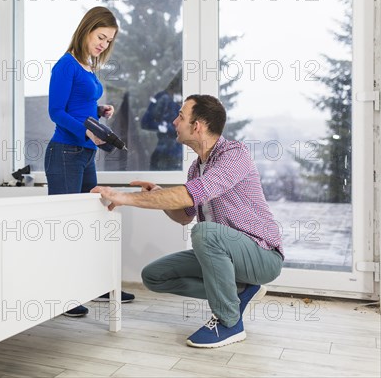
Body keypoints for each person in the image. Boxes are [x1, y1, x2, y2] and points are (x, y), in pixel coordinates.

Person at [91, 94, 284, 347]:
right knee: (155, 276)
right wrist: (158, 194)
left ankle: (229, 322)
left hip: (262, 255)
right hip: (226, 252)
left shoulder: (234, 155)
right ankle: (240, 292)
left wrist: (122, 197)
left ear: (197, 126)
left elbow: (189, 195)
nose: (174, 122)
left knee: (204, 233)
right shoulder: (196, 168)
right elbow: (184, 216)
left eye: (180, 116)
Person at [44, 6, 135, 317]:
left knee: (92, 222)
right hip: (65, 153)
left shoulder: (87, 66)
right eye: (101, 37)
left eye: (109, 41)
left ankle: (95, 285)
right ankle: (64, 295)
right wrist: (86, 128)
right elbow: (56, 112)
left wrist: (98, 112)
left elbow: (78, 105)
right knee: (66, 226)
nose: (103, 45)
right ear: (87, 29)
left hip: (85, 154)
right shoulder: (65, 65)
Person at [141, 70, 184, 170]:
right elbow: (146, 122)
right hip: (165, 156)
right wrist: (167, 128)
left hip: (179, 157)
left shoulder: (185, 101)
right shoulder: (163, 98)